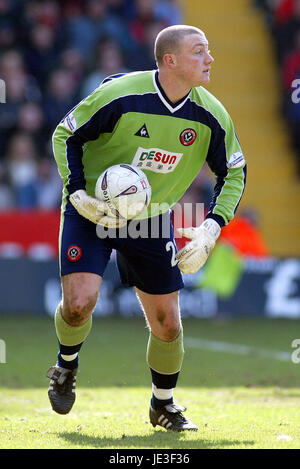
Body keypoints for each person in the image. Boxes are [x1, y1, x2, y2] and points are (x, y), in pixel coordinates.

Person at [47, 25, 247, 432]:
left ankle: (163, 405)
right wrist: (79, 192)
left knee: (169, 325)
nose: (209, 59)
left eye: (208, 51)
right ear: (169, 60)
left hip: (152, 216)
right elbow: (66, 133)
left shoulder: (211, 115)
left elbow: (235, 173)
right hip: (94, 210)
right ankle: (66, 365)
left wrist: (210, 227)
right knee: (79, 304)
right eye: (199, 52)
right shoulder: (121, 95)